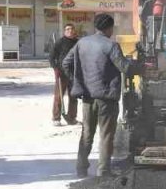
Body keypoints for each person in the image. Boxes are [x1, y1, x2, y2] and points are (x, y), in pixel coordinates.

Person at [63, 12, 129, 178]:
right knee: (106, 135)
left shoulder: (81, 43)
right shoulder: (111, 45)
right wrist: (140, 67)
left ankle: (81, 168)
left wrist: (77, 80)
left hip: (87, 97)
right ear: (109, 28)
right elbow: (125, 68)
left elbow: (66, 63)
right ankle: (104, 171)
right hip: (106, 98)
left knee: (86, 134)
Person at [50, 23, 79, 125]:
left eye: (72, 29)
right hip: (62, 74)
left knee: (74, 97)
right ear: (64, 31)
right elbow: (51, 58)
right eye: (67, 29)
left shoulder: (77, 43)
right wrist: (55, 69)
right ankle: (56, 118)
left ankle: (72, 118)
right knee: (59, 96)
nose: (70, 31)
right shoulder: (59, 42)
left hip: (74, 74)